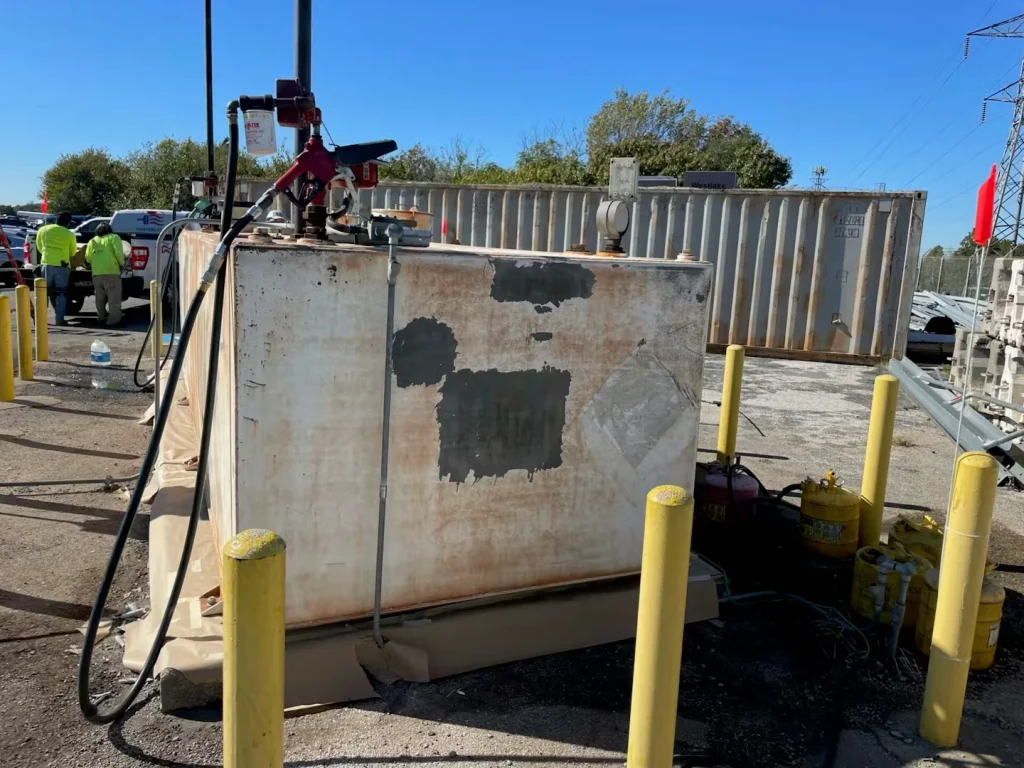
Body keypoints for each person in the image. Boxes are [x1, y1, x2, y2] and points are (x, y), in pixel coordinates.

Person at [34, 211, 78, 325]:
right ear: (68, 222)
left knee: (43, 292)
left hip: (46, 264)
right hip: (62, 266)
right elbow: (72, 252)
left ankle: (40, 321)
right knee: (61, 293)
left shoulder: (43, 230)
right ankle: (59, 320)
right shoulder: (69, 234)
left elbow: (39, 247)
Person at [85, 222, 125, 326]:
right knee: (113, 297)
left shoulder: (92, 241)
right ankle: (113, 320)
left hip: (97, 273)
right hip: (111, 272)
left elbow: (88, 258)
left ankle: (101, 317)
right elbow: (118, 253)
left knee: (99, 297)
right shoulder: (114, 237)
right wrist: (122, 264)